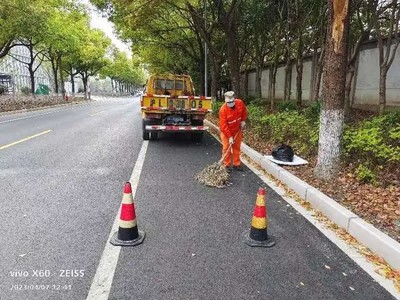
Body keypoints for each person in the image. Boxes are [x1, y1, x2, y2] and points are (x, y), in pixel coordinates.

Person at [219, 91, 247, 171]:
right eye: (228, 102)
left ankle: (236, 164)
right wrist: (230, 137)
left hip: (237, 130)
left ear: (234, 99)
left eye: (231, 102)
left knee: (236, 147)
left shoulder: (240, 103)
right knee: (226, 148)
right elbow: (223, 126)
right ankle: (226, 165)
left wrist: (243, 120)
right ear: (225, 101)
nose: (230, 103)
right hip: (226, 132)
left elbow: (244, 112)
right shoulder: (223, 110)